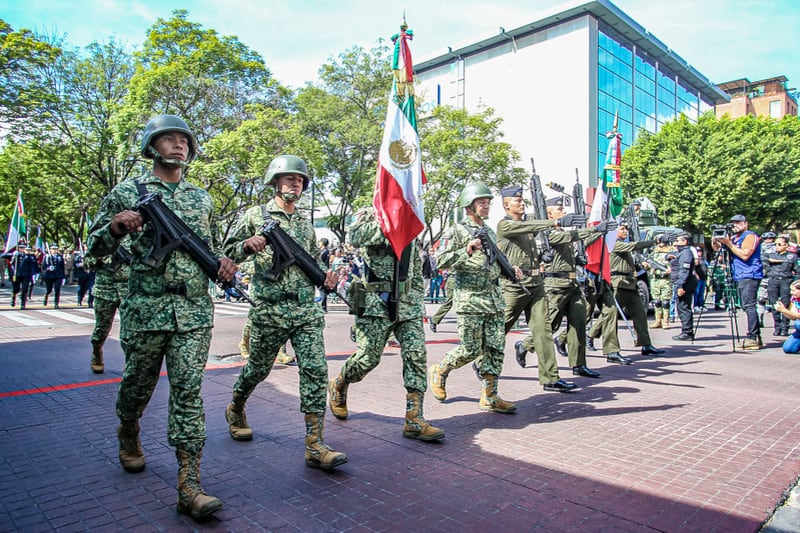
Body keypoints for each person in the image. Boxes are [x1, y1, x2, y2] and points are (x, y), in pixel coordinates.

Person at [87, 114, 235, 519]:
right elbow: (93, 250)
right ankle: (129, 428)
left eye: (184, 139)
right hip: (147, 309)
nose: (179, 145)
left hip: (193, 310)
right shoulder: (127, 192)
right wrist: (116, 229)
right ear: (152, 146)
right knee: (138, 384)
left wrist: (224, 262)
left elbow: (211, 246)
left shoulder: (201, 198)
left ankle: (190, 485)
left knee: (188, 393)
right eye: (169, 139)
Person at [223, 154, 347, 471]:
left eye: (300, 179)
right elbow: (225, 253)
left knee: (316, 371)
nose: (296, 183)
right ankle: (236, 405)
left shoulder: (305, 223)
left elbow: (312, 264)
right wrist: (247, 245)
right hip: (270, 308)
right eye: (290, 178)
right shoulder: (256, 214)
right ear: (276, 182)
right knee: (258, 370)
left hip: (304, 308)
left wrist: (327, 276)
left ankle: (315, 444)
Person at [327, 207, 444, 442]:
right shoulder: (373, 213)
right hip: (376, 302)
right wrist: (391, 225)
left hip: (408, 304)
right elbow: (356, 237)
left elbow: (413, 266)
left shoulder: (414, 215)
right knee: (368, 358)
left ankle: (414, 418)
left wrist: (417, 302)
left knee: (416, 356)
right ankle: (339, 383)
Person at [428, 183, 520, 413]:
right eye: (482, 202)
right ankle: (440, 370)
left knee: (496, 348)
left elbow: (493, 262)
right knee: (470, 349)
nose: (486, 205)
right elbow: (440, 261)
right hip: (470, 300)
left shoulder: (489, 231)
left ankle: (490, 395)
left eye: (488, 202)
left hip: (494, 300)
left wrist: (512, 269)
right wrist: (466, 250)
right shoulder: (457, 230)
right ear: (469, 206)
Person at [497, 188, 583, 393]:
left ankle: (550, 377)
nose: (521, 203)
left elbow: (543, 229)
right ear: (506, 205)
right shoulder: (505, 224)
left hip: (536, 283)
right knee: (500, 329)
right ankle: (482, 361)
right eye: (517, 200)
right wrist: (556, 221)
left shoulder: (527, 225)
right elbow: (534, 225)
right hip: (514, 286)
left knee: (543, 330)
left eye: (522, 199)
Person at [544, 201, 611, 379]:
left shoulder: (563, 233)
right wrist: (596, 230)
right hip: (556, 286)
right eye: (559, 209)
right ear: (550, 215)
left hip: (572, 284)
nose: (563, 211)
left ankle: (579, 364)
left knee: (579, 323)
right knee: (549, 324)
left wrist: (577, 260)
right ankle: (525, 345)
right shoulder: (549, 233)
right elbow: (573, 236)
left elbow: (571, 248)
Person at [592, 223, 665, 361]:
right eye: (622, 229)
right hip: (618, 283)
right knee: (610, 315)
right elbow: (632, 246)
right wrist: (653, 241)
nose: (625, 231)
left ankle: (646, 344)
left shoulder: (621, 244)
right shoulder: (614, 243)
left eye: (626, 228)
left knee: (640, 315)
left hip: (630, 283)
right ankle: (593, 336)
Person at [712, 214, 763, 350]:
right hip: (739, 275)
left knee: (749, 306)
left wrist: (728, 243)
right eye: (733, 223)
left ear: (745, 224)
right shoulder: (734, 238)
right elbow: (718, 249)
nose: (735, 225)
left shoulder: (749, 236)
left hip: (749, 274)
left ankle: (753, 337)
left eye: (738, 223)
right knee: (746, 306)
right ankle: (754, 336)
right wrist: (716, 239)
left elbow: (745, 255)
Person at [84, 240, 131, 373]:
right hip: (104, 290)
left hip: (127, 290)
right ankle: (96, 352)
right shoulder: (104, 236)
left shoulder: (134, 236)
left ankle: (130, 364)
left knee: (128, 331)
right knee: (101, 330)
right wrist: (100, 258)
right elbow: (87, 263)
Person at [764, 235, 799, 336]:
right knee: (774, 304)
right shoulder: (771, 255)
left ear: (786, 245)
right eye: (775, 244)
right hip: (773, 280)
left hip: (786, 281)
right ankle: (777, 327)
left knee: (786, 303)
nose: (777, 246)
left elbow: (797, 270)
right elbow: (763, 260)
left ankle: (785, 327)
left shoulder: (792, 256)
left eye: (779, 244)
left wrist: (795, 283)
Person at [668, 233, 698, 341]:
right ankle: (686, 331)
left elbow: (684, 271)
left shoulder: (686, 253)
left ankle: (687, 332)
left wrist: (680, 286)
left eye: (678, 240)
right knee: (681, 307)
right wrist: (668, 256)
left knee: (683, 307)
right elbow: (671, 255)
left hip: (686, 283)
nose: (676, 242)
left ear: (685, 241)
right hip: (682, 282)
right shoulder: (681, 252)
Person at [646, 234, 675, 329]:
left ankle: (665, 321)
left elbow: (676, 263)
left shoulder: (672, 251)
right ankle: (657, 320)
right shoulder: (654, 251)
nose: (660, 244)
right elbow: (649, 262)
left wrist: (671, 269)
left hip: (666, 279)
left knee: (665, 301)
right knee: (657, 301)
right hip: (655, 278)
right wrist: (646, 265)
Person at [773, 280, 800, 353]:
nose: (791, 292)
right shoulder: (794, 298)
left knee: (798, 324)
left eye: (793, 290)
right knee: (788, 349)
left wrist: (784, 310)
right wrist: (782, 310)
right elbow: (793, 317)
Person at [10, 242, 38, 309]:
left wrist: (33, 274)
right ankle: (13, 298)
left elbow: (32, 265)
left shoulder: (29, 256)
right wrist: (14, 256)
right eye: (20, 248)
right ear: (18, 248)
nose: (22, 249)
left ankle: (23, 304)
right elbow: (12, 264)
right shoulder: (16, 255)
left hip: (26, 274)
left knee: (25, 289)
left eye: (23, 248)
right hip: (16, 274)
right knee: (16, 289)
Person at [42, 243, 67, 308]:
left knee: (57, 289)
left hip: (58, 276)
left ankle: (56, 303)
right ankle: (46, 297)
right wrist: (48, 268)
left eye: (56, 249)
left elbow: (62, 267)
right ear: (50, 249)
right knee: (49, 290)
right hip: (49, 275)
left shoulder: (60, 256)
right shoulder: (47, 257)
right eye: (53, 249)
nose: (54, 250)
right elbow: (43, 267)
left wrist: (63, 277)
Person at [319, 238, 331, 312]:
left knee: (322, 289)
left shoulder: (324, 252)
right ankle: (323, 307)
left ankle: (323, 307)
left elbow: (319, 260)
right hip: (325, 271)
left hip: (323, 271)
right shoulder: (326, 251)